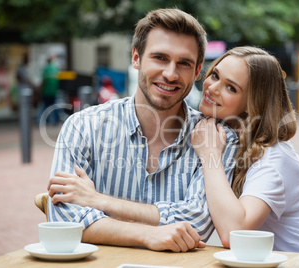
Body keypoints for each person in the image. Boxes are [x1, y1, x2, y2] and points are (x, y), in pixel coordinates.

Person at [46, 8, 239, 252]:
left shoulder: (219, 139)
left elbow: (197, 224)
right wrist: (147, 235)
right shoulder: (83, 127)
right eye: (160, 58)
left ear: (197, 70)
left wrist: (100, 203)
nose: (170, 74)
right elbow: (64, 222)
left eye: (184, 63)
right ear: (136, 58)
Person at [191, 46, 299, 257]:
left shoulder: (274, 156)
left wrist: (210, 155)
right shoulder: (226, 137)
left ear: (253, 103)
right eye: (215, 75)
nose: (212, 88)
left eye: (231, 88)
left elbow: (233, 233)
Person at [38, 54, 60, 125]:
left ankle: (46, 121)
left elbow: (43, 82)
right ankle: (56, 121)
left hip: (47, 91)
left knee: (46, 107)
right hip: (54, 91)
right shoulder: (56, 69)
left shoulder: (46, 70)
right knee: (54, 107)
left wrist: (39, 90)